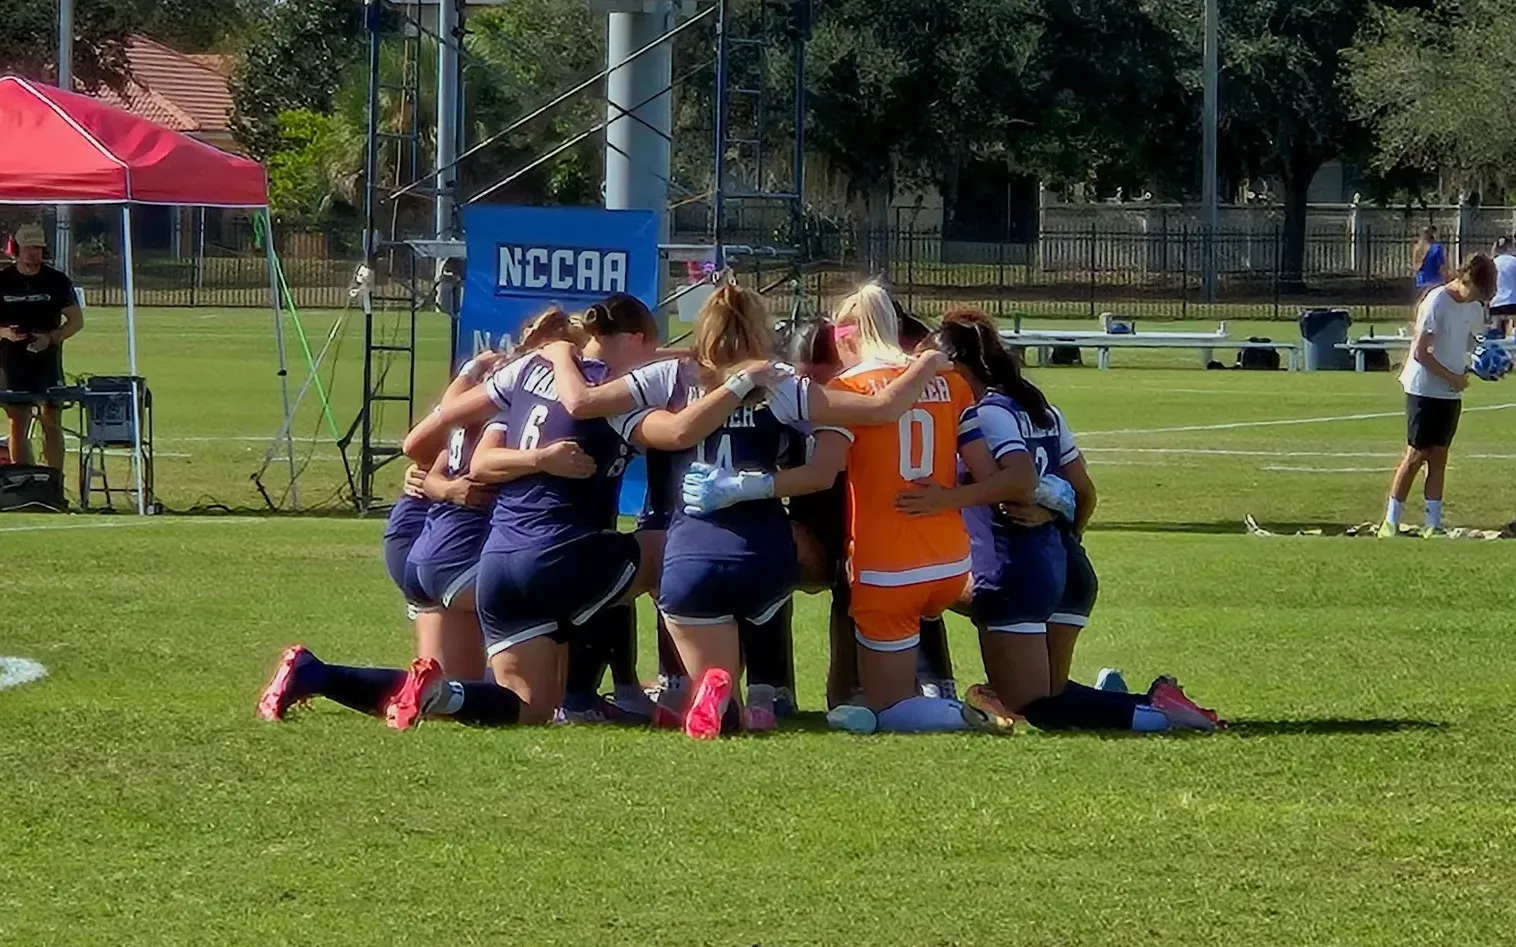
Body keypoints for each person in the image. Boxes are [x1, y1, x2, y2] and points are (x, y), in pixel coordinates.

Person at [541, 283, 945, 736]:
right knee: (766, 601)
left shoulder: (671, 376)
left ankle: (714, 693)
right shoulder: (781, 383)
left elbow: (582, 402)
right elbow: (881, 408)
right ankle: (765, 695)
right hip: (767, 555)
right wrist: (927, 361)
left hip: (692, 555)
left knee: (709, 680)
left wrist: (559, 355)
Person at [383, 293, 773, 731]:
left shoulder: (528, 371)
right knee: (674, 551)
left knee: (530, 706)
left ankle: (437, 692)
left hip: (496, 562)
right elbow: (679, 432)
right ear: (635, 339)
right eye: (650, 350)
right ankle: (687, 686)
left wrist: (460, 455)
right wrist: (736, 385)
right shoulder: (615, 399)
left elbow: (445, 432)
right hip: (560, 558)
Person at [684, 283, 1017, 735]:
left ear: (845, 334)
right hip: (950, 561)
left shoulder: (849, 388)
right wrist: (947, 499)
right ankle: (939, 690)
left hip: (888, 566)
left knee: (886, 709)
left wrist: (740, 486)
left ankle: (966, 712)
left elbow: (819, 476)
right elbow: (986, 471)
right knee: (889, 684)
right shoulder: (950, 382)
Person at [895, 309, 1219, 732]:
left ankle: (1159, 716)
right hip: (1064, 565)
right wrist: (1064, 534)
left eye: (932, 365)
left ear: (956, 366)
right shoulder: (1038, 407)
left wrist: (948, 499)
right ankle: (1151, 701)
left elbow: (1019, 479)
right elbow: (1084, 492)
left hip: (1018, 571)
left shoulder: (987, 414)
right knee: (1051, 691)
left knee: (1034, 704)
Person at [1381, 253, 1497, 538]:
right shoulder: (1437, 301)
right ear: (1466, 280)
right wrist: (1453, 378)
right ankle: (1390, 521)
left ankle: (1433, 524)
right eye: (1479, 292)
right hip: (1424, 387)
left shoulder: (1472, 306)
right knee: (1416, 455)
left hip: (1450, 390)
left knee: (1440, 456)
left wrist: (1486, 362)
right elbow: (1421, 353)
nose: (1479, 299)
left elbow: (1468, 339)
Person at [0, 224, 84, 471]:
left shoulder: (56, 281)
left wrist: (51, 338)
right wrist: (4, 333)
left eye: (37, 247)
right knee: (18, 421)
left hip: (46, 361)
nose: (32, 253)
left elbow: (76, 321)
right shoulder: (2, 281)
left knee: (51, 420)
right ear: (16, 248)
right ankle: (25, 478)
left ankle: (53, 480)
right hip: (10, 363)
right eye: (27, 247)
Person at [1489, 236, 1516, 336]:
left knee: (1496, 332)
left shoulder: (1492, 263)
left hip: (1497, 303)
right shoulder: (1514, 261)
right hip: (1513, 302)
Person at [1412, 225, 1448, 300]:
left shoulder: (1436, 247)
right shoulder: (1419, 248)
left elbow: (1442, 265)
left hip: (1431, 280)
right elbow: (1416, 265)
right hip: (1428, 280)